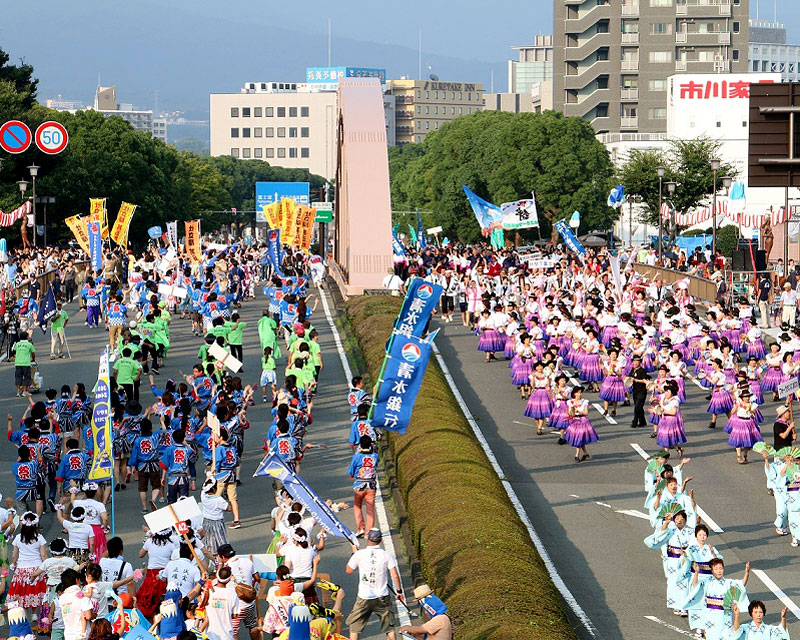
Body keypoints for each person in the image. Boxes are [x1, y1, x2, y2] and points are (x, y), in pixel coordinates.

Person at [345, 528, 403, 640]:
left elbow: (349, 570)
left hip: (364, 597)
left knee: (354, 628)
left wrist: (354, 554)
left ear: (368, 539)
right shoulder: (386, 555)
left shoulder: (359, 554)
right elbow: (395, 575)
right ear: (380, 540)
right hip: (382, 596)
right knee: (389, 627)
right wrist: (399, 591)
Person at [348, 435, 379, 538]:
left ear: (360, 445)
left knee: (357, 507)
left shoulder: (356, 457)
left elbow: (350, 473)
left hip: (359, 485)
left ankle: (360, 528)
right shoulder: (375, 456)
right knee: (370, 509)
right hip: (371, 486)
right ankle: (369, 532)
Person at [58, 568, 93, 640]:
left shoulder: (62, 598)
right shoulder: (82, 595)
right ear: (77, 580)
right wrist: (94, 614)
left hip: (68, 634)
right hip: (83, 634)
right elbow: (88, 616)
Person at [12, 331, 35, 397]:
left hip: (18, 363)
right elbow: (33, 353)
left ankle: (18, 391)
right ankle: (24, 391)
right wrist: (33, 359)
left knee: (18, 377)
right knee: (27, 377)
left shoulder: (17, 344)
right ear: (26, 337)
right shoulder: (29, 344)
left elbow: (14, 351)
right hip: (26, 363)